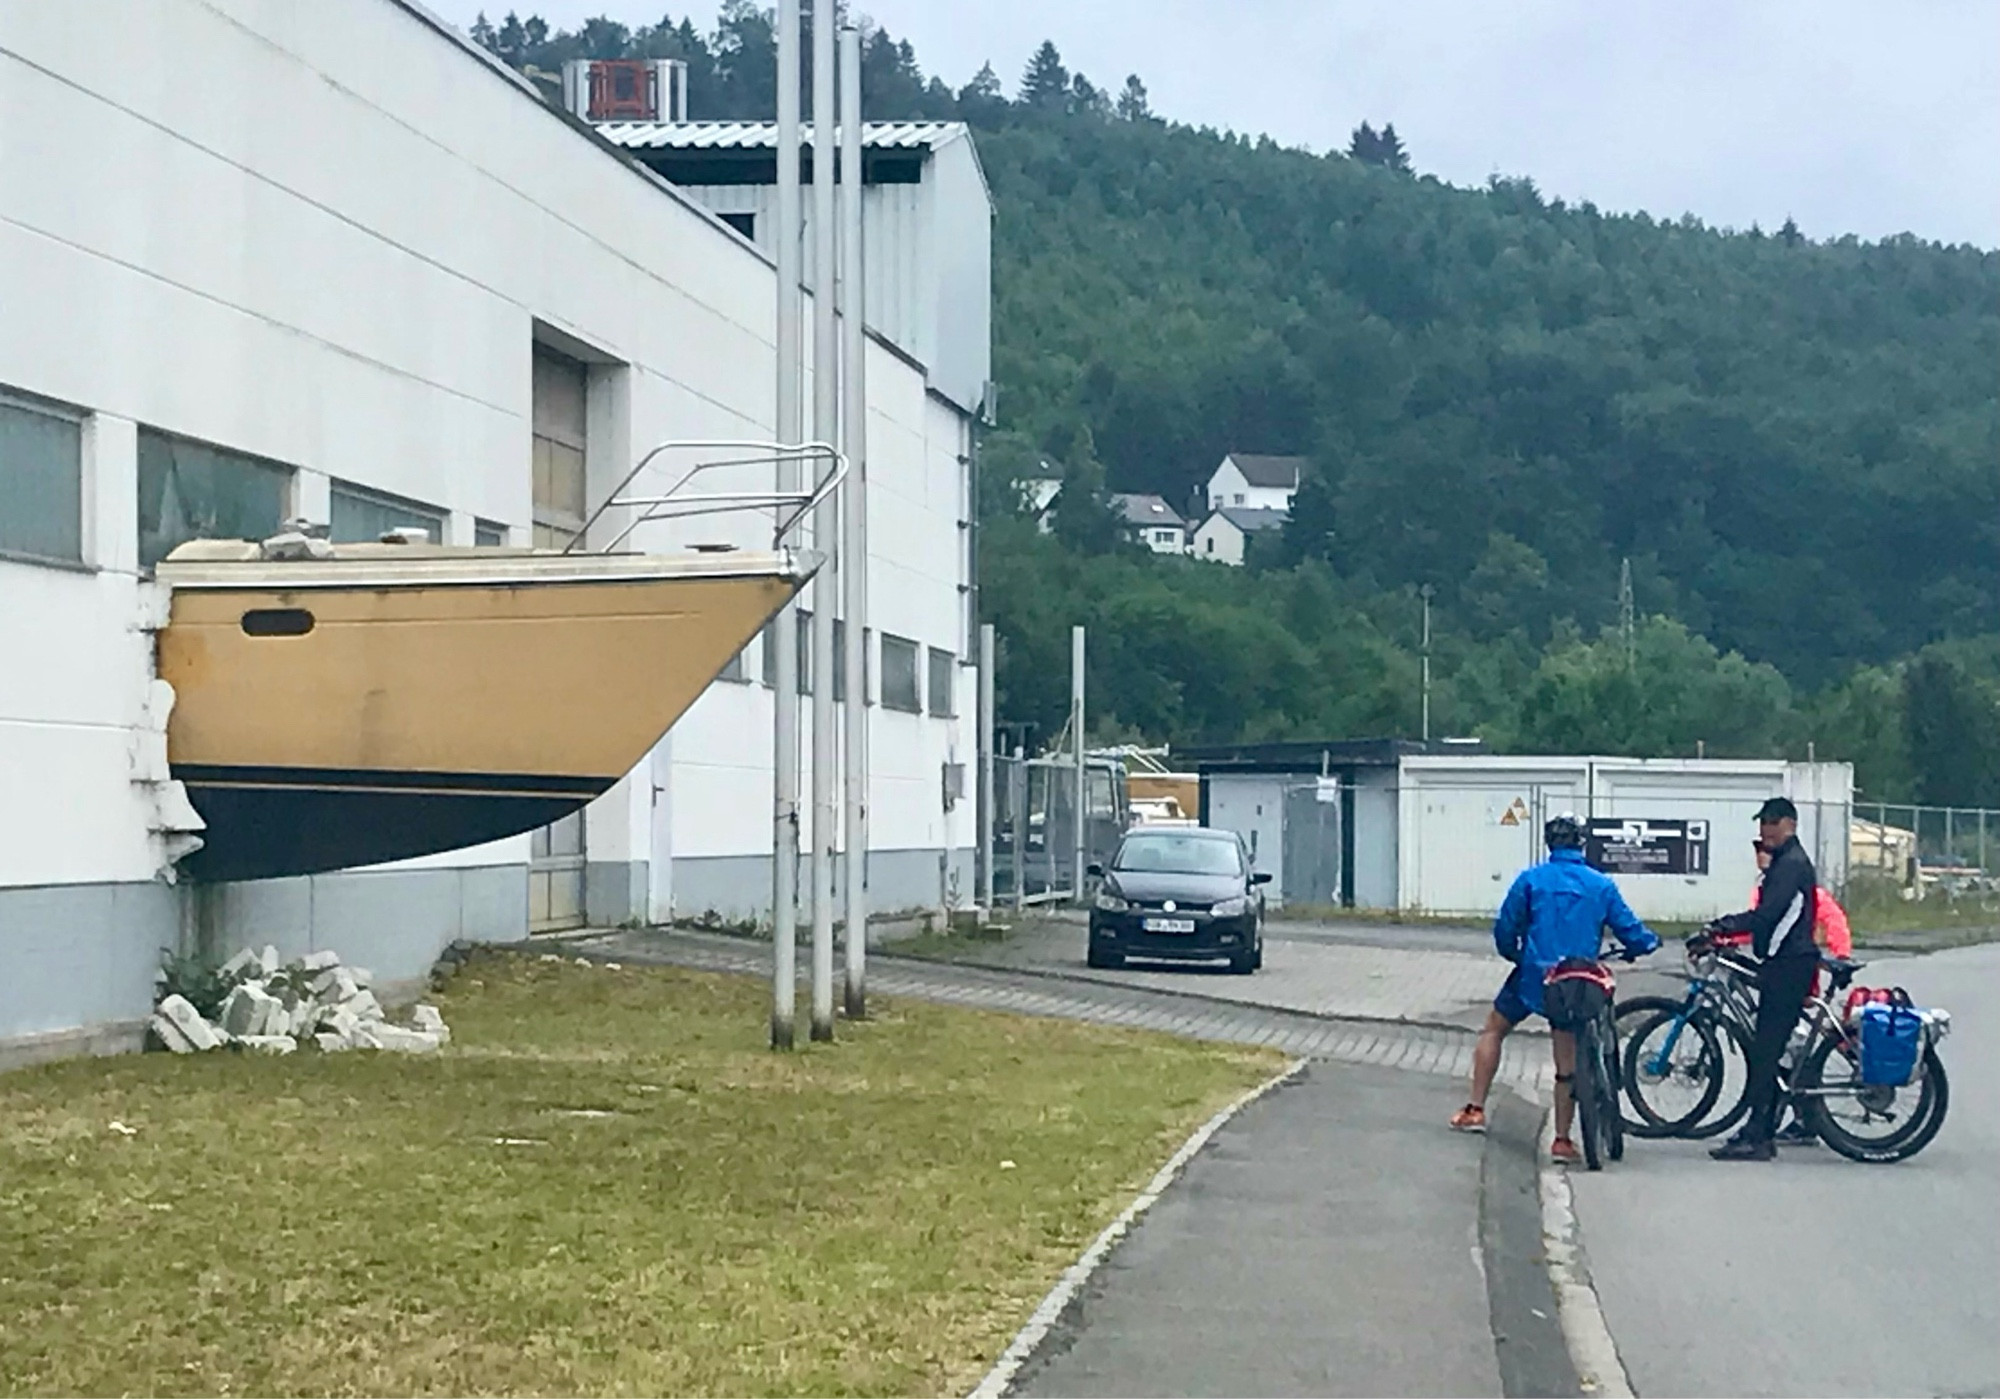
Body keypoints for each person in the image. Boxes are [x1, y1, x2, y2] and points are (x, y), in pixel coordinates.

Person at [1450, 812, 1660, 1163]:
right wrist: (1646, 944)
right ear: (1581, 843)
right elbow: (1630, 930)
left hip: (1533, 976)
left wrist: (1517, 955)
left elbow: (1505, 928)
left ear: (1550, 844)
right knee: (1566, 1061)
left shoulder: (1530, 880)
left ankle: (1475, 1109)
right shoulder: (1600, 885)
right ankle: (1562, 1140)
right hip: (1577, 981)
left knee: (1494, 1028)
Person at [1701, 796, 1821, 1161]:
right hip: (1783, 964)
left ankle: (1758, 1137)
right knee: (1767, 1048)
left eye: (1772, 821)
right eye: (1762, 822)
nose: (1764, 829)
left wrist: (1723, 928)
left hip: (1789, 966)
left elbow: (1767, 915)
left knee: (1765, 1051)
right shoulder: (1785, 862)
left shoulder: (1791, 865)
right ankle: (1761, 1129)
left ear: (1790, 824)